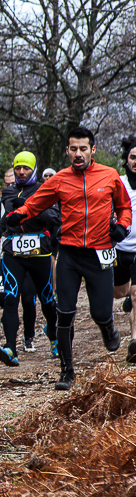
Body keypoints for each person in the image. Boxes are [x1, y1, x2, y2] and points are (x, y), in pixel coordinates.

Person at [4, 127, 131, 390]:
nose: (78, 153)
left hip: (99, 253)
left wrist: (123, 226)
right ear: (67, 151)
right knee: (65, 313)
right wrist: (18, 216)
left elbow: (124, 206)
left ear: (92, 150)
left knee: (100, 312)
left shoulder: (109, 176)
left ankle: (107, 327)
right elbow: (35, 203)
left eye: (83, 148)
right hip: (69, 254)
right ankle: (66, 371)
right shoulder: (60, 179)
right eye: (73, 148)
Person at [0, 151, 59, 368]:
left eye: (26, 168)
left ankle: (55, 337)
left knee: (47, 299)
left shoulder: (44, 189)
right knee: (10, 299)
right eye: (18, 167)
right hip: (13, 253)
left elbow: (55, 218)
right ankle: (10, 347)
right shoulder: (8, 192)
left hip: (40, 252)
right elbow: (4, 222)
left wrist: (29, 206)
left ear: (34, 169)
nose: (21, 172)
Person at [113, 136, 136, 363]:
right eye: (133, 157)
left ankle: (134, 342)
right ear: (126, 160)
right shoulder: (118, 182)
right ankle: (128, 296)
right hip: (120, 248)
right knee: (119, 293)